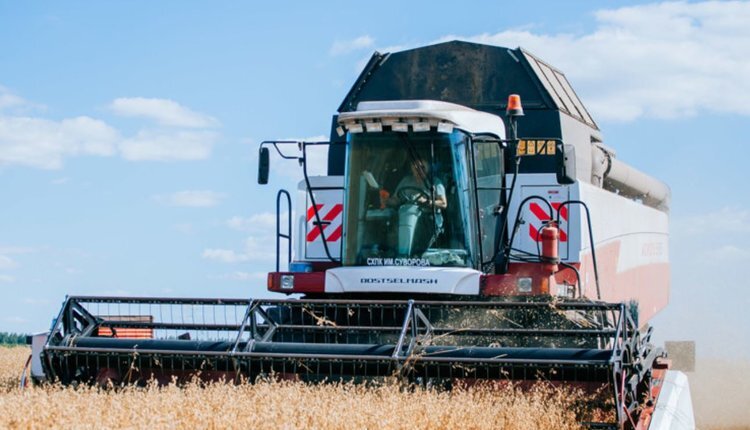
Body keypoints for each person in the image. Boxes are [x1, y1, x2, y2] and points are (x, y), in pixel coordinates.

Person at [387, 157, 447, 257]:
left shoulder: (435, 182)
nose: (419, 170)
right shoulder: (406, 181)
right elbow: (396, 199)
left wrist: (426, 201)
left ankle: (417, 255)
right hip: (406, 216)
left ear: (428, 167)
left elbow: (443, 203)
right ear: (411, 168)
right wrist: (387, 200)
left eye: (422, 167)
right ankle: (397, 255)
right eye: (416, 167)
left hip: (429, 220)